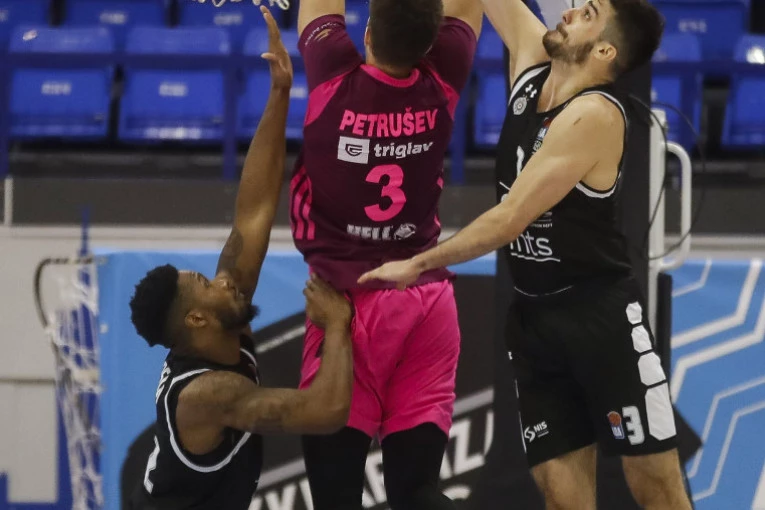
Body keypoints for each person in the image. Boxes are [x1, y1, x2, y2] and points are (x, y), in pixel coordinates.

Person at [358, 0, 694, 508]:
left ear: (605, 50)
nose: (570, 13)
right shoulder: (534, 61)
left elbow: (510, 217)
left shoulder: (595, 114)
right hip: (535, 320)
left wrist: (420, 262)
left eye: (588, 14)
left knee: (657, 487)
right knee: (561, 498)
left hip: (598, 319)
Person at [126, 8, 354, 509]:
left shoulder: (219, 319)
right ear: (196, 318)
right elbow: (325, 412)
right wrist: (338, 326)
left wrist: (279, 93)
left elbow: (252, 213)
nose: (223, 280)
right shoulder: (208, 396)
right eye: (207, 284)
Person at [291, 0, 483, 508]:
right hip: (426, 299)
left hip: (347, 308)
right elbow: (470, 7)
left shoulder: (332, 73)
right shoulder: (444, 74)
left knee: (336, 499)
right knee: (417, 493)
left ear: (368, 34)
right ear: (430, 43)